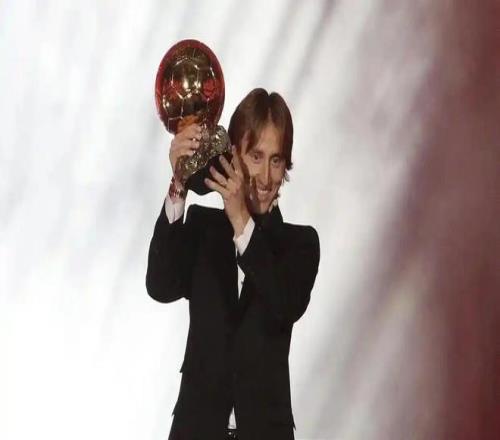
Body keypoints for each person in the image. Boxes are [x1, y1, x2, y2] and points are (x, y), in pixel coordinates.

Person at [146, 88, 320, 440]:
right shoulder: (203, 228)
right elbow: (160, 285)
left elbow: (284, 305)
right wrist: (179, 182)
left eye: (276, 160)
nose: (266, 178)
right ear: (233, 156)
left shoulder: (299, 245)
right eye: (256, 156)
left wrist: (241, 218)